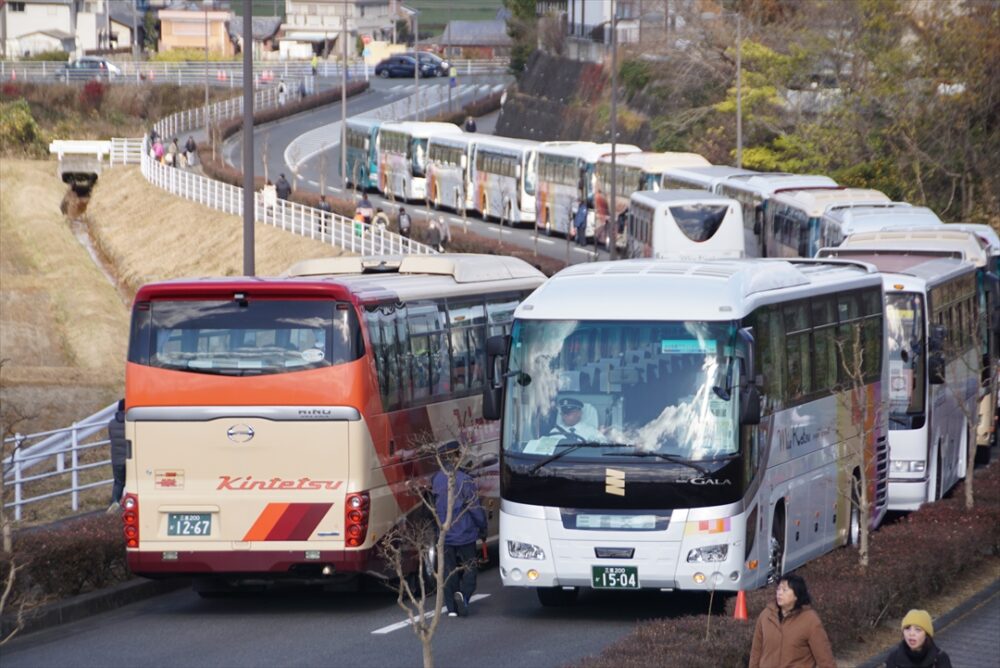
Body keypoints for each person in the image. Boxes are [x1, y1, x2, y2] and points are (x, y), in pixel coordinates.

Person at [431, 441, 487, 618]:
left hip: (445, 534)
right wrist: (482, 527)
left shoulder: (436, 479)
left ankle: (451, 608)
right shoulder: (464, 479)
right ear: (456, 457)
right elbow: (474, 508)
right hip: (464, 533)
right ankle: (463, 596)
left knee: (448, 570)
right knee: (470, 567)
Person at [749, 573, 836, 668]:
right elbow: (756, 652)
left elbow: (825, 659)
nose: (779, 593)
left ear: (797, 595)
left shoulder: (810, 620)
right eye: (778, 589)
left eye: (785, 590)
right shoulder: (766, 615)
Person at [884, 610, 952, 668]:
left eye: (918, 630)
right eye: (907, 628)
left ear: (926, 634)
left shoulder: (940, 659)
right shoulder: (894, 658)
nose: (911, 634)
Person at [107, 399, 126, 512]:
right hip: (130, 458)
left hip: (116, 459)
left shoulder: (112, 424)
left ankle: (114, 502)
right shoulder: (131, 422)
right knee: (132, 483)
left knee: (118, 482)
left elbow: (111, 438)